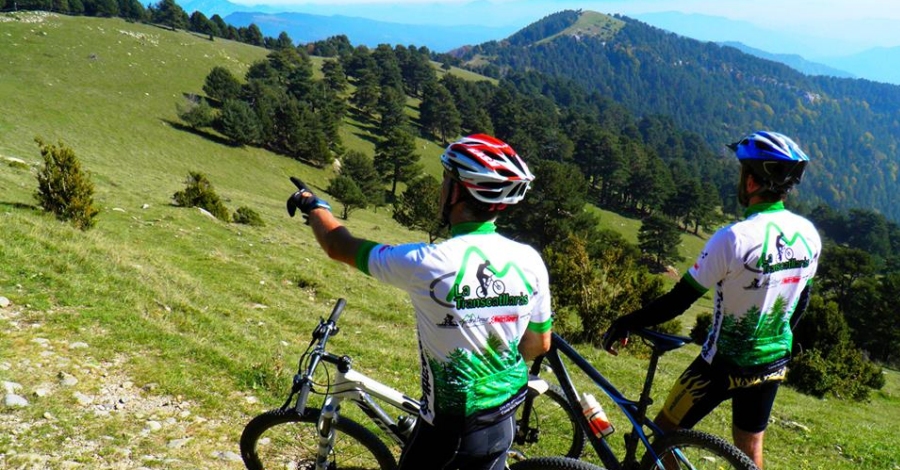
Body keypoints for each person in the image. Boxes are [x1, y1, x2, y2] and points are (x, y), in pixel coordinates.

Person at [286, 133, 553, 470]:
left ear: (458, 191)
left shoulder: (427, 262)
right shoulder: (530, 260)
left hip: (449, 435)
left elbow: (339, 246)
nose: (441, 188)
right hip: (503, 420)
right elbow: (538, 343)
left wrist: (314, 205)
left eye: (445, 180)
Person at [601, 131, 821, 469]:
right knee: (749, 452)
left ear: (750, 182)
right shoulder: (809, 234)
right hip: (773, 361)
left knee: (662, 436)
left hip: (719, 366)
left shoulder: (733, 238)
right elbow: (800, 301)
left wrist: (626, 321)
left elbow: (677, 302)